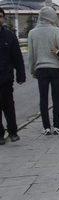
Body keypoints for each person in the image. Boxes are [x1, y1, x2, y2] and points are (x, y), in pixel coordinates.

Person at [28, 6, 59, 135]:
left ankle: (46, 127)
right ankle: (56, 125)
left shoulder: (32, 33)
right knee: (56, 98)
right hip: (56, 68)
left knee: (43, 98)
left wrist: (33, 69)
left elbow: (31, 54)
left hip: (41, 69)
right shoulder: (57, 31)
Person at [0, 8, 26, 143]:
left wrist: (21, 74)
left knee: (8, 105)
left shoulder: (9, 36)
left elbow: (17, 57)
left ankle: (13, 131)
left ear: (3, 18)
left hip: (5, 78)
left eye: (0, 16)